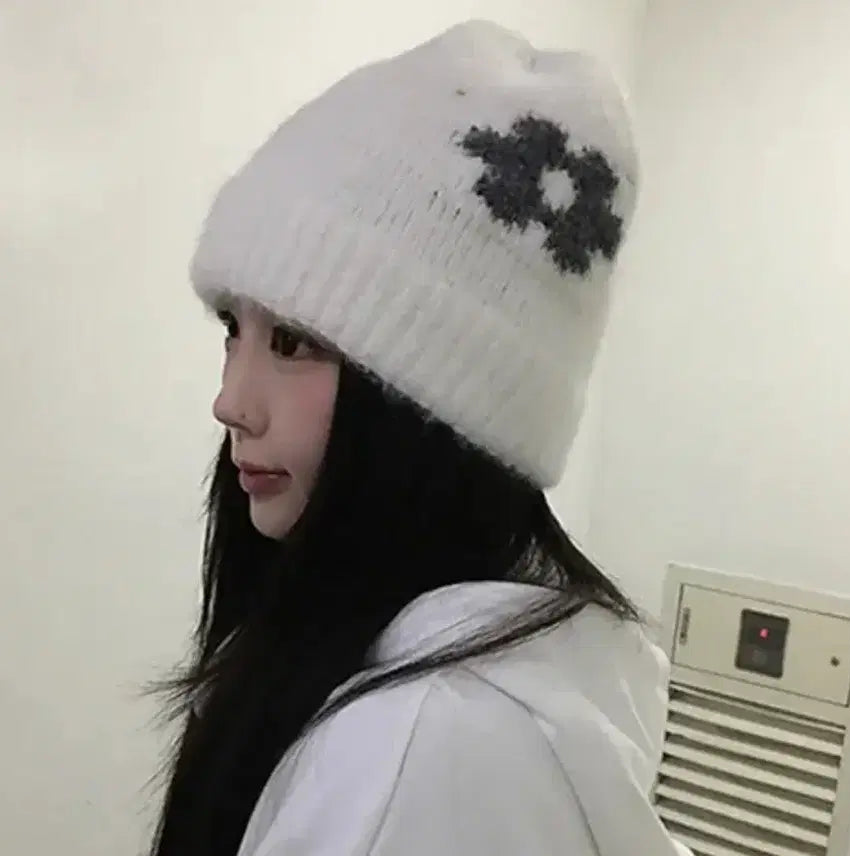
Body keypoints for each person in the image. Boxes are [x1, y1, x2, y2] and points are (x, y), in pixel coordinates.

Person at [149, 18, 690, 856]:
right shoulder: (497, 684)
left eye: (293, 341)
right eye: (234, 329)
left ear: (432, 407)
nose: (231, 402)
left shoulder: (414, 755)